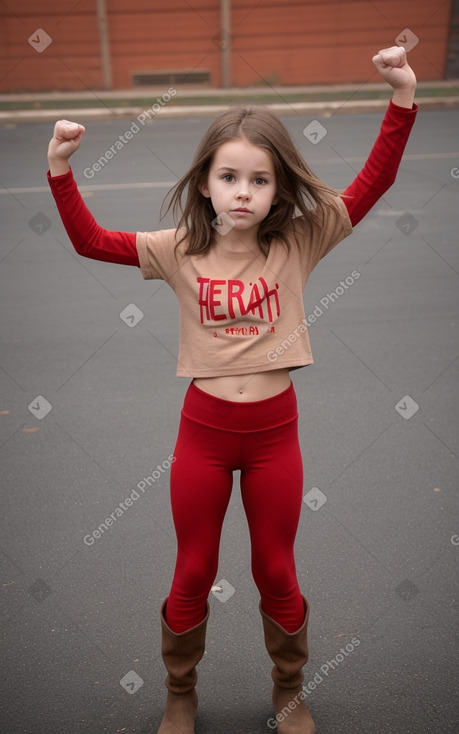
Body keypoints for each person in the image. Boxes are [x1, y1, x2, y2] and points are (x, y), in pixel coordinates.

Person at [47, 46, 417, 734]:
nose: (243, 191)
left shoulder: (300, 241)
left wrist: (401, 97)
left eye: (258, 180)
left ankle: (289, 692)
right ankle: (179, 694)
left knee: (277, 571)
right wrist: (60, 169)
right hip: (204, 434)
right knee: (192, 572)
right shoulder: (179, 248)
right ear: (206, 184)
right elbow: (91, 242)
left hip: (276, 434)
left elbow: (371, 184)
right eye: (228, 177)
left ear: (278, 190)